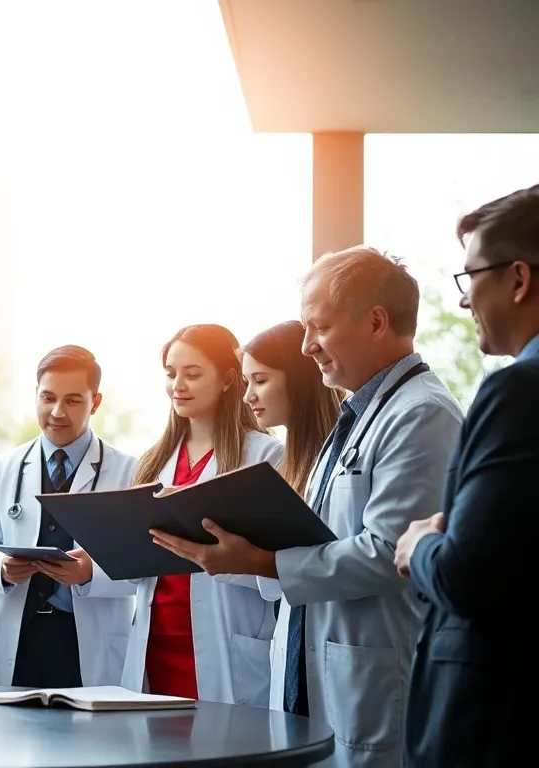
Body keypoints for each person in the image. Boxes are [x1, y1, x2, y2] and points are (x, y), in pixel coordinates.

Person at [154, 247, 463, 768]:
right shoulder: (358, 417)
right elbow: (320, 535)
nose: (307, 346)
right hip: (318, 672)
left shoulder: (421, 415)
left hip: (370, 682)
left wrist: (260, 561)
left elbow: (392, 552)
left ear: (376, 322)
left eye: (317, 327)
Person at [395, 186, 539, 767]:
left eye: (470, 277)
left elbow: (467, 576)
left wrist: (421, 544)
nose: (463, 303)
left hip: (497, 723)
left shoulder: (520, 393)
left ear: (519, 279)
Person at [118, 324, 283, 707]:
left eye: (192, 374)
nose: (178, 385)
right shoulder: (152, 462)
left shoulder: (264, 456)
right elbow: (136, 564)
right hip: (155, 639)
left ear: (228, 380)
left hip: (224, 639)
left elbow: (277, 567)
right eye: (171, 373)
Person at [0, 345, 139, 688]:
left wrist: (90, 572)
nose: (57, 412)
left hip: (86, 642)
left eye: (73, 400)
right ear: (36, 396)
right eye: (48, 398)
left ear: (96, 402)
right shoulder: (5, 467)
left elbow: (143, 566)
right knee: (8, 737)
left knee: (88, 740)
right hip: (18, 638)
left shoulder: (129, 471)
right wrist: (0, 568)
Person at [240, 320, 342, 493]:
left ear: (298, 380)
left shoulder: (338, 458)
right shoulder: (284, 466)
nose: (247, 397)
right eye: (246, 382)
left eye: (260, 381)